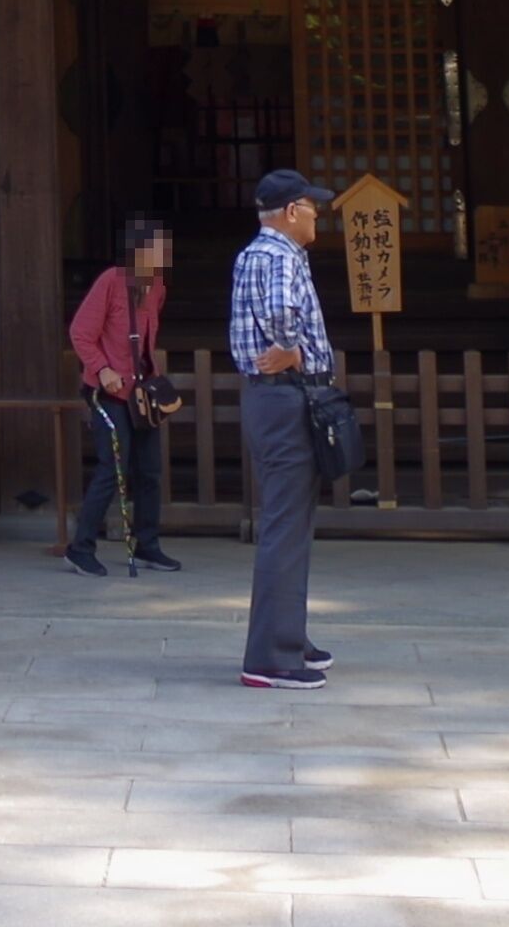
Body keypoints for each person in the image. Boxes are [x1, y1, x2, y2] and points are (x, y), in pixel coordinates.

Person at [229, 168, 338, 688]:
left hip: (273, 400)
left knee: (290, 523)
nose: (318, 216)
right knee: (284, 526)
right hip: (285, 396)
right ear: (292, 211)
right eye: (313, 208)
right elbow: (280, 312)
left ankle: (288, 635)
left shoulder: (256, 252)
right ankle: (271, 657)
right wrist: (291, 347)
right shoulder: (278, 255)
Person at [63, 214, 182, 577]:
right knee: (112, 470)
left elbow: (147, 339)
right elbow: (80, 332)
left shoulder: (157, 286)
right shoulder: (111, 282)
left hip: (141, 393)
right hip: (109, 390)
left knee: (149, 471)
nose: (165, 253)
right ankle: (80, 548)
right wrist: (102, 369)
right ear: (140, 251)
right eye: (159, 247)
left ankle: (148, 544)